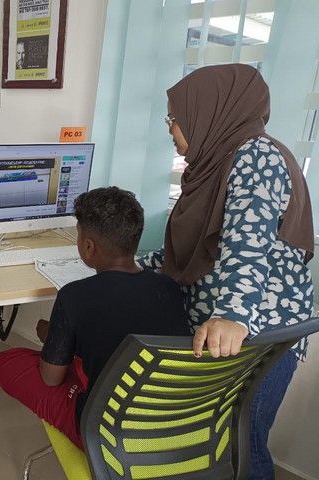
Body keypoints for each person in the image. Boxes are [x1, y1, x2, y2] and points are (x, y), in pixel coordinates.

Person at [139, 64, 314, 479]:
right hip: (222, 334)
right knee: (215, 442)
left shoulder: (257, 157)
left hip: (256, 334)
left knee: (241, 445)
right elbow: (200, 248)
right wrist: (133, 265)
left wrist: (234, 315)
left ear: (208, 112)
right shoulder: (214, 165)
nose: (170, 128)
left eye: (174, 118)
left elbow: (247, 242)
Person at [0, 187, 190, 449]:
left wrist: (54, 338)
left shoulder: (74, 295)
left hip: (108, 434)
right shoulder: (169, 288)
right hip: (172, 426)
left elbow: (51, 378)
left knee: (6, 361)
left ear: (88, 246)